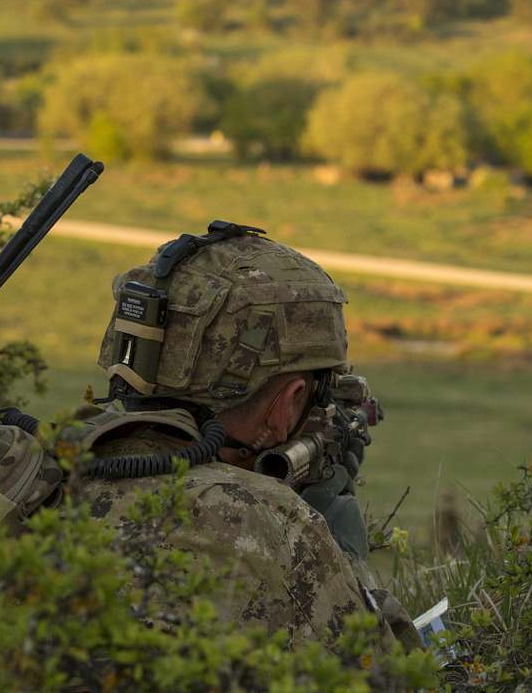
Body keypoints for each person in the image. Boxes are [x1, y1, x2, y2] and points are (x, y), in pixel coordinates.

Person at [66, 221, 414, 646]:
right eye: (317, 397)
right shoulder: (268, 525)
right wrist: (343, 555)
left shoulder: (43, 464)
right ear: (287, 404)